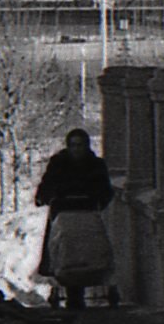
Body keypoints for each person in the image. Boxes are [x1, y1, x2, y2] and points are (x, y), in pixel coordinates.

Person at [33, 127, 115, 308]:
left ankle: (87, 278)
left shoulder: (96, 165)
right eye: (73, 145)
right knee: (64, 248)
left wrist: (100, 199)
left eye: (80, 145)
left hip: (87, 212)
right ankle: (70, 287)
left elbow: (105, 189)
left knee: (90, 247)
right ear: (68, 146)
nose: (77, 149)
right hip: (64, 213)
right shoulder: (58, 163)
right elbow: (47, 184)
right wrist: (43, 197)